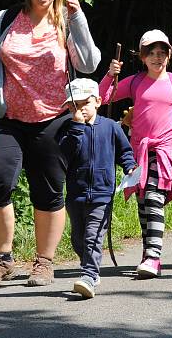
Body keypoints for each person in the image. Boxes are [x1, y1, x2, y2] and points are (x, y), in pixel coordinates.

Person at [0, 0, 101, 289]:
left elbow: (89, 64)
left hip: (54, 119)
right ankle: (2, 260)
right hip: (7, 118)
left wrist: (78, 21)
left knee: (48, 190)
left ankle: (44, 262)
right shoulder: (5, 19)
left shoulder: (66, 20)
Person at [100, 29, 172, 278]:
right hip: (139, 152)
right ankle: (148, 253)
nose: (157, 58)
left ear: (169, 56)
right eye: (151, 53)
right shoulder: (137, 81)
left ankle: (153, 256)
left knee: (153, 198)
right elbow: (103, 97)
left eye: (162, 53)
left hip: (164, 150)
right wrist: (110, 75)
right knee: (143, 205)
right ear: (142, 57)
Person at [58, 78, 136, 299]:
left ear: (98, 101)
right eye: (74, 105)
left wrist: (129, 166)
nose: (80, 109)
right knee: (78, 237)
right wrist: (75, 129)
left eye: (85, 103)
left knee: (93, 236)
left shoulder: (111, 127)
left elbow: (125, 152)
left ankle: (89, 274)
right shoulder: (68, 129)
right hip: (76, 194)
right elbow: (63, 156)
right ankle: (89, 266)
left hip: (102, 194)